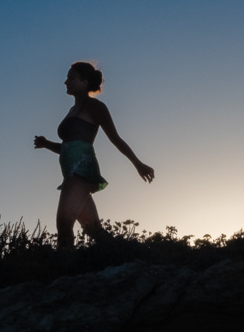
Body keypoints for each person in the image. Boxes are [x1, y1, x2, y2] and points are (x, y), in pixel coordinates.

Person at [33, 62, 155, 247]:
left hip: (81, 172)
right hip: (70, 173)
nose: (66, 82)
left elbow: (115, 139)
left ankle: (65, 271)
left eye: (71, 78)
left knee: (64, 223)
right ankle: (130, 254)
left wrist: (138, 164)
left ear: (85, 82)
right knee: (95, 231)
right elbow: (68, 147)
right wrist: (46, 144)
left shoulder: (95, 107)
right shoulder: (72, 110)